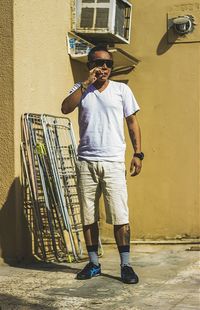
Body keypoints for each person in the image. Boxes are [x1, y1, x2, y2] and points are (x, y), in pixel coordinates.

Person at [61, 45, 144, 284]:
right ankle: (94, 263)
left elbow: (132, 122)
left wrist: (138, 154)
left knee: (120, 215)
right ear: (90, 66)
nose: (104, 68)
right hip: (86, 161)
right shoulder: (81, 89)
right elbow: (65, 108)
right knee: (88, 215)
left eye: (108, 64)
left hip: (113, 161)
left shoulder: (122, 90)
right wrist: (86, 83)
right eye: (99, 63)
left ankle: (126, 265)